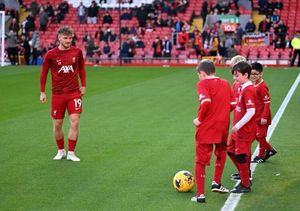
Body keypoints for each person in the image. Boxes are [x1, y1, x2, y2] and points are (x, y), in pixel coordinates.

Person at [39, 26, 86, 162]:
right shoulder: (50, 54)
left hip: (74, 93)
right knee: (58, 124)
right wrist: (42, 91)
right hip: (58, 95)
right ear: (59, 37)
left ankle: (71, 152)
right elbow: (44, 73)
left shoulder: (77, 52)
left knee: (75, 122)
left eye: (70, 38)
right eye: (65, 38)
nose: (68, 40)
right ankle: (61, 150)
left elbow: (82, 68)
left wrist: (83, 85)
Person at [191, 59, 235, 203]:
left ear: (202, 74)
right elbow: (233, 104)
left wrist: (199, 119)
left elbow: (205, 102)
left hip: (207, 127)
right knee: (221, 152)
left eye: (199, 75)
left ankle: (200, 195)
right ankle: (216, 182)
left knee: (201, 160)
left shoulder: (203, 83)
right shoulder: (225, 83)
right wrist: (221, 112)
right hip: (223, 126)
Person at [227, 61, 256, 193]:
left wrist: (238, 126)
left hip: (244, 131)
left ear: (245, 75)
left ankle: (245, 184)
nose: (235, 78)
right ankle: (244, 175)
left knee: (240, 155)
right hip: (238, 130)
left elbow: (251, 111)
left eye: (237, 75)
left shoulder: (249, 89)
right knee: (230, 151)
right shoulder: (242, 87)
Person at [250, 62, 277, 163]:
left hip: (262, 117)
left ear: (261, 74)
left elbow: (267, 102)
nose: (253, 76)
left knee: (261, 136)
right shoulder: (254, 84)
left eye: (255, 74)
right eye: (251, 74)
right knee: (257, 136)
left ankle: (261, 156)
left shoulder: (262, 87)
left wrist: (264, 117)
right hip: (256, 116)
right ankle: (270, 150)